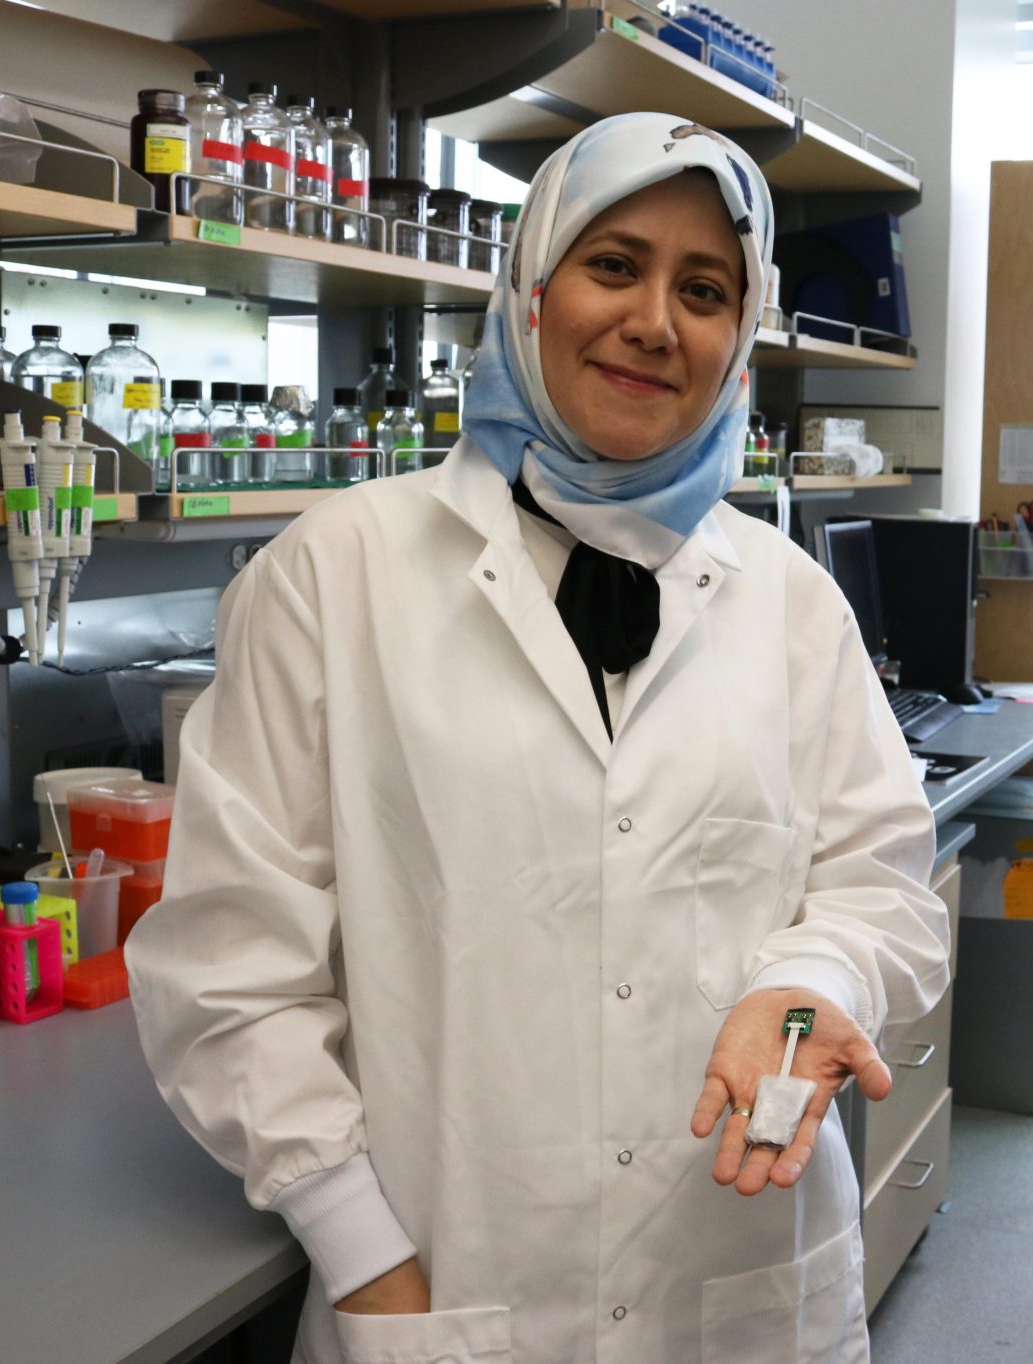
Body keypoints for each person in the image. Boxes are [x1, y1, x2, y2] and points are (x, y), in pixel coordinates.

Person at [126, 111, 950, 1363]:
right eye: (614, 263)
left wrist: (811, 985)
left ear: (740, 338)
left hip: (735, 1286)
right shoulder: (333, 575)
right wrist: (368, 1260)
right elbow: (231, 973)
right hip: (441, 1284)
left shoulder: (793, 602)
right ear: (530, 285)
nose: (656, 321)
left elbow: (880, 887)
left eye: (707, 288)